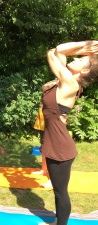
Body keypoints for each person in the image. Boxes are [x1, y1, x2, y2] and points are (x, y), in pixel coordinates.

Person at [39, 41, 98, 225]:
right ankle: (59, 222)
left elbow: (54, 51)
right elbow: (57, 51)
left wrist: (86, 46)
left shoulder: (70, 83)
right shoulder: (64, 80)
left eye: (81, 60)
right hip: (54, 144)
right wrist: (87, 50)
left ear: (85, 72)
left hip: (60, 148)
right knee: (59, 191)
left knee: (60, 192)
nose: (77, 58)